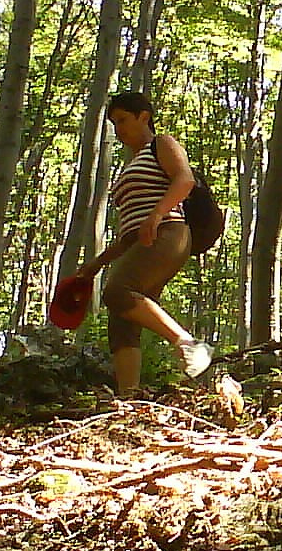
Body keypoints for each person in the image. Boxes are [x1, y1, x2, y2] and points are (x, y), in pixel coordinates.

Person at [69, 91, 210, 394]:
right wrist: (94, 266)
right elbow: (128, 232)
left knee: (118, 292)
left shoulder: (162, 144)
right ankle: (128, 399)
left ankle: (188, 344)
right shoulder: (130, 167)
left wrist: (157, 214)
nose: (118, 129)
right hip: (141, 242)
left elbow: (184, 180)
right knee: (121, 321)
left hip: (169, 234)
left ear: (143, 117)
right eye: (113, 123)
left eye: (122, 120)